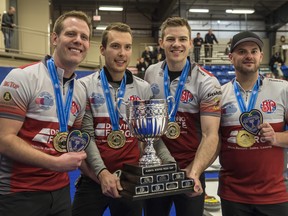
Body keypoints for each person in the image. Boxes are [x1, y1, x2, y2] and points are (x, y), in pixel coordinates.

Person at [72, 22, 175, 216]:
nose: (122, 53)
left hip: (131, 179)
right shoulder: (84, 86)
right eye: (115, 46)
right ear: (102, 49)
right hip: (94, 178)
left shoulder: (143, 88)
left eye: (127, 47)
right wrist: (102, 174)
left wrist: (171, 165)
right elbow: (87, 136)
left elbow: (152, 137)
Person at [0, 10, 91, 216]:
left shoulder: (80, 91)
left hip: (60, 192)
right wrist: (55, 163)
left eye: (84, 37)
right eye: (71, 34)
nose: (78, 41)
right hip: (19, 193)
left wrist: (101, 175)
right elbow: (4, 140)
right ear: (54, 38)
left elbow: (74, 141)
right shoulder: (22, 77)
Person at [144, 16, 222, 216]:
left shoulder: (208, 82)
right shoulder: (151, 73)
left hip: (190, 168)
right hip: (157, 169)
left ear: (190, 43)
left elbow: (210, 135)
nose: (176, 44)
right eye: (170, 39)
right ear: (161, 43)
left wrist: (194, 171)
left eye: (182, 39)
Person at [219, 31, 288, 216]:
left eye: (253, 51)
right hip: (233, 194)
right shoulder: (220, 94)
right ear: (231, 57)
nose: (248, 55)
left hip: (274, 194)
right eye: (242, 51)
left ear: (261, 56)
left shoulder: (282, 89)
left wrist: (276, 137)